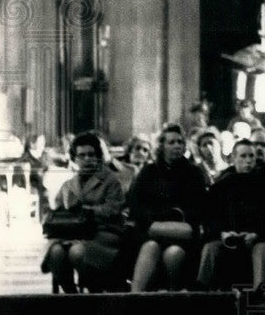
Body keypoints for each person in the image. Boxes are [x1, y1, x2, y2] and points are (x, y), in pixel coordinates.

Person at [126, 123, 209, 292]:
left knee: (173, 253)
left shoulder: (194, 173)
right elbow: (136, 204)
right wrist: (158, 217)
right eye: (171, 142)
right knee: (150, 247)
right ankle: (134, 297)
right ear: (162, 146)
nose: (177, 146)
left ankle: (171, 295)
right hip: (152, 230)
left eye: (180, 142)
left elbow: (200, 207)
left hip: (182, 233)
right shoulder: (149, 172)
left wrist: (173, 217)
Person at [41, 132, 125, 292]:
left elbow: (114, 209)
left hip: (102, 232)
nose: (87, 159)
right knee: (55, 252)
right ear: (74, 159)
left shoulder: (111, 181)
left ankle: (94, 289)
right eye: (81, 155)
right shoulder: (68, 184)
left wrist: (87, 211)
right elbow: (58, 209)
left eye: (91, 155)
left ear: (98, 156)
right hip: (72, 232)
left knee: (76, 252)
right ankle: (71, 293)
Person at [195, 139, 265, 293]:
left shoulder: (264, 185)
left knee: (261, 249)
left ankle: (259, 294)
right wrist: (222, 233)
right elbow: (209, 217)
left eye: (251, 156)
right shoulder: (222, 185)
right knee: (210, 248)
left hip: (255, 238)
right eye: (243, 156)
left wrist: (256, 233)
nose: (248, 160)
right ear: (233, 158)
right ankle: (201, 293)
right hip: (227, 237)